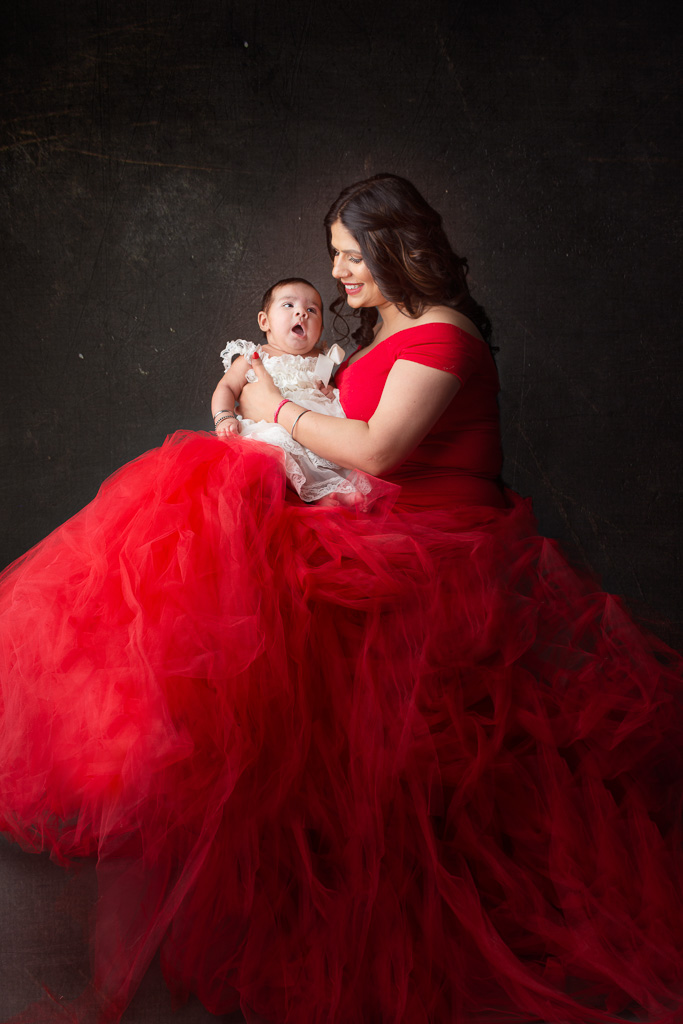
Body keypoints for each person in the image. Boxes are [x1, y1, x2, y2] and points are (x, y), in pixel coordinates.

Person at [0, 174, 682, 1024]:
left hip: (434, 547)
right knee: (195, 550)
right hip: (370, 526)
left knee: (218, 554)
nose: (337, 274)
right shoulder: (380, 330)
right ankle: (116, 783)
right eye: (334, 256)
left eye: (351, 255)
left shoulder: (444, 334)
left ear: (399, 248)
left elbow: (380, 450)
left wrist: (271, 409)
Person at [210, 276, 379, 505]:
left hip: (312, 426)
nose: (302, 313)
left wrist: (329, 391)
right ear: (264, 321)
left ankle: (336, 488)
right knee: (275, 450)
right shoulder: (254, 356)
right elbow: (226, 387)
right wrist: (224, 416)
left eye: (312, 310)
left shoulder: (322, 360)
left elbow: (329, 389)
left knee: (328, 450)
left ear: (320, 330)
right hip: (270, 427)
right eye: (289, 305)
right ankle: (312, 495)